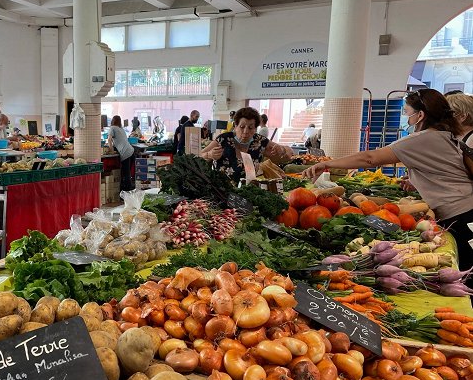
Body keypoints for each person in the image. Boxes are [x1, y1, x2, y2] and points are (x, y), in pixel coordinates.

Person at [303, 89, 473, 287]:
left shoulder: (423, 139)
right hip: (464, 211)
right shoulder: (445, 136)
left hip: (463, 215)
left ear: (421, 115)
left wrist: (328, 164)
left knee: (469, 274)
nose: (407, 119)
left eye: (408, 113)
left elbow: (370, 158)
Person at [200, 107, 293, 183]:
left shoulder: (260, 141)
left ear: (255, 129)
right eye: (242, 127)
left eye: (250, 127)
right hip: (220, 190)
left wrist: (282, 150)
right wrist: (210, 155)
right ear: (235, 126)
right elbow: (198, 156)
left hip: (248, 191)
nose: (245, 131)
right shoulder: (223, 139)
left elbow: (289, 155)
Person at [108, 115, 134, 193]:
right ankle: (129, 193)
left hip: (125, 153)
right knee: (128, 173)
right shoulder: (121, 129)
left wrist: (111, 151)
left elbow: (109, 140)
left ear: (112, 121)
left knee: (126, 174)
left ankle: (126, 194)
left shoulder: (112, 128)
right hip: (131, 151)